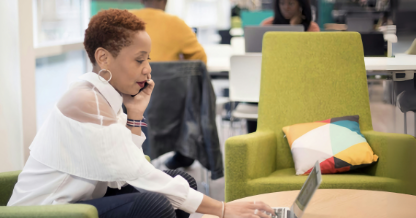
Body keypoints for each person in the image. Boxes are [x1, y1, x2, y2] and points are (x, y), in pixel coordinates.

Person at [7, 9, 274, 218]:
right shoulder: (87, 101)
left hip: (83, 202)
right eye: (139, 59)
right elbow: (136, 172)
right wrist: (222, 209)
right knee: (155, 203)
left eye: (148, 59)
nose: (148, 69)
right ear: (103, 58)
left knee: (183, 181)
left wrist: (134, 114)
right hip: (49, 211)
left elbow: (125, 170)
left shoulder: (105, 97)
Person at [130, 0, 207, 169]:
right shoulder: (176, 24)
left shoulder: (124, 22)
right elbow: (200, 62)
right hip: (167, 109)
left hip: (127, 105)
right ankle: (185, 151)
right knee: (188, 97)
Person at [130, 0, 207, 64]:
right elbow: (200, 59)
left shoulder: (124, 20)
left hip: (131, 81)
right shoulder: (176, 23)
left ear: (141, 0)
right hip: (167, 82)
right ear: (165, 1)